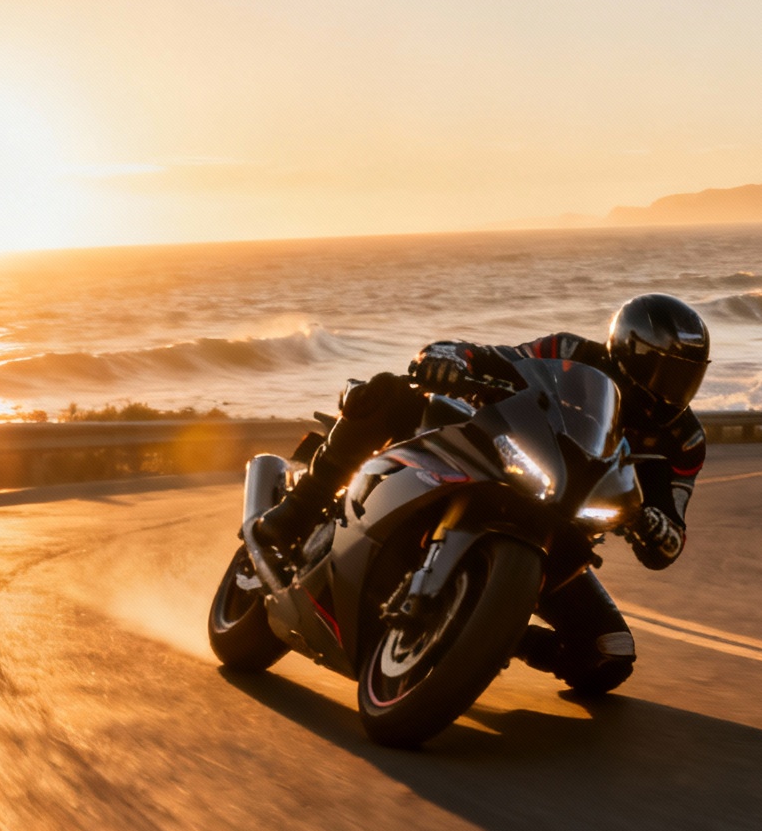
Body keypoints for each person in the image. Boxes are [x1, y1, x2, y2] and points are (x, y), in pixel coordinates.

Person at [252, 293, 710, 693]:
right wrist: (449, 359)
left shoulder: (683, 439)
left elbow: (672, 534)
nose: (676, 392)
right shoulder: (570, 353)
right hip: (498, 460)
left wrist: (650, 523)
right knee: (390, 393)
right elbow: (499, 358)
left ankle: (493, 634)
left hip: (561, 529)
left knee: (610, 654)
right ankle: (298, 508)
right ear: (632, 353)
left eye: (688, 378)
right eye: (666, 373)